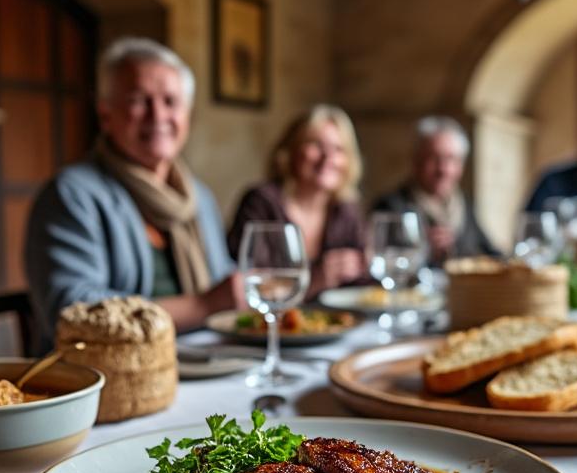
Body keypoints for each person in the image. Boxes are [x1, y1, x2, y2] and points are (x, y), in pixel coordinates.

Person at [24, 37, 236, 339]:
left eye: (170, 101)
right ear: (106, 114)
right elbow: (71, 311)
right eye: (139, 100)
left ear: (186, 116)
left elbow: (223, 279)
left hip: (205, 361)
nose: (158, 115)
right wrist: (203, 305)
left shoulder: (198, 196)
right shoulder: (71, 194)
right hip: (107, 375)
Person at [226, 104, 365, 293]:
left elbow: (364, 281)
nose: (328, 157)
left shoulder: (345, 210)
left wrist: (363, 267)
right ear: (290, 151)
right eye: (316, 145)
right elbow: (248, 286)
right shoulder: (261, 202)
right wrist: (314, 280)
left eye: (338, 149)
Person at [373, 116, 498, 265]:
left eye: (451, 159)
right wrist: (424, 252)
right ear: (416, 161)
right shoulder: (390, 206)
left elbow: (491, 253)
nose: (443, 169)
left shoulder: (464, 204)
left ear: (461, 166)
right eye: (434, 158)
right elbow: (380, 263)